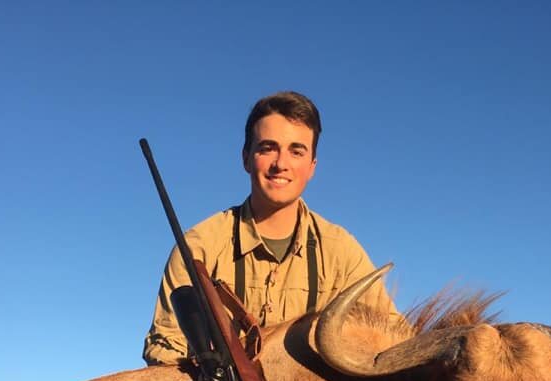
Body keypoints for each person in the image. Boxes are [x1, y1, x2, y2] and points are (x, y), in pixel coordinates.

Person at [143, 91, 397, 365]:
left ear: (312, 166)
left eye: (296, 151)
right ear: (246, 158)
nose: (281, 164)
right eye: (267, 148)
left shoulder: (340, 250)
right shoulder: (198, 246)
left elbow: (392, 337)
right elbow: (165, 348)